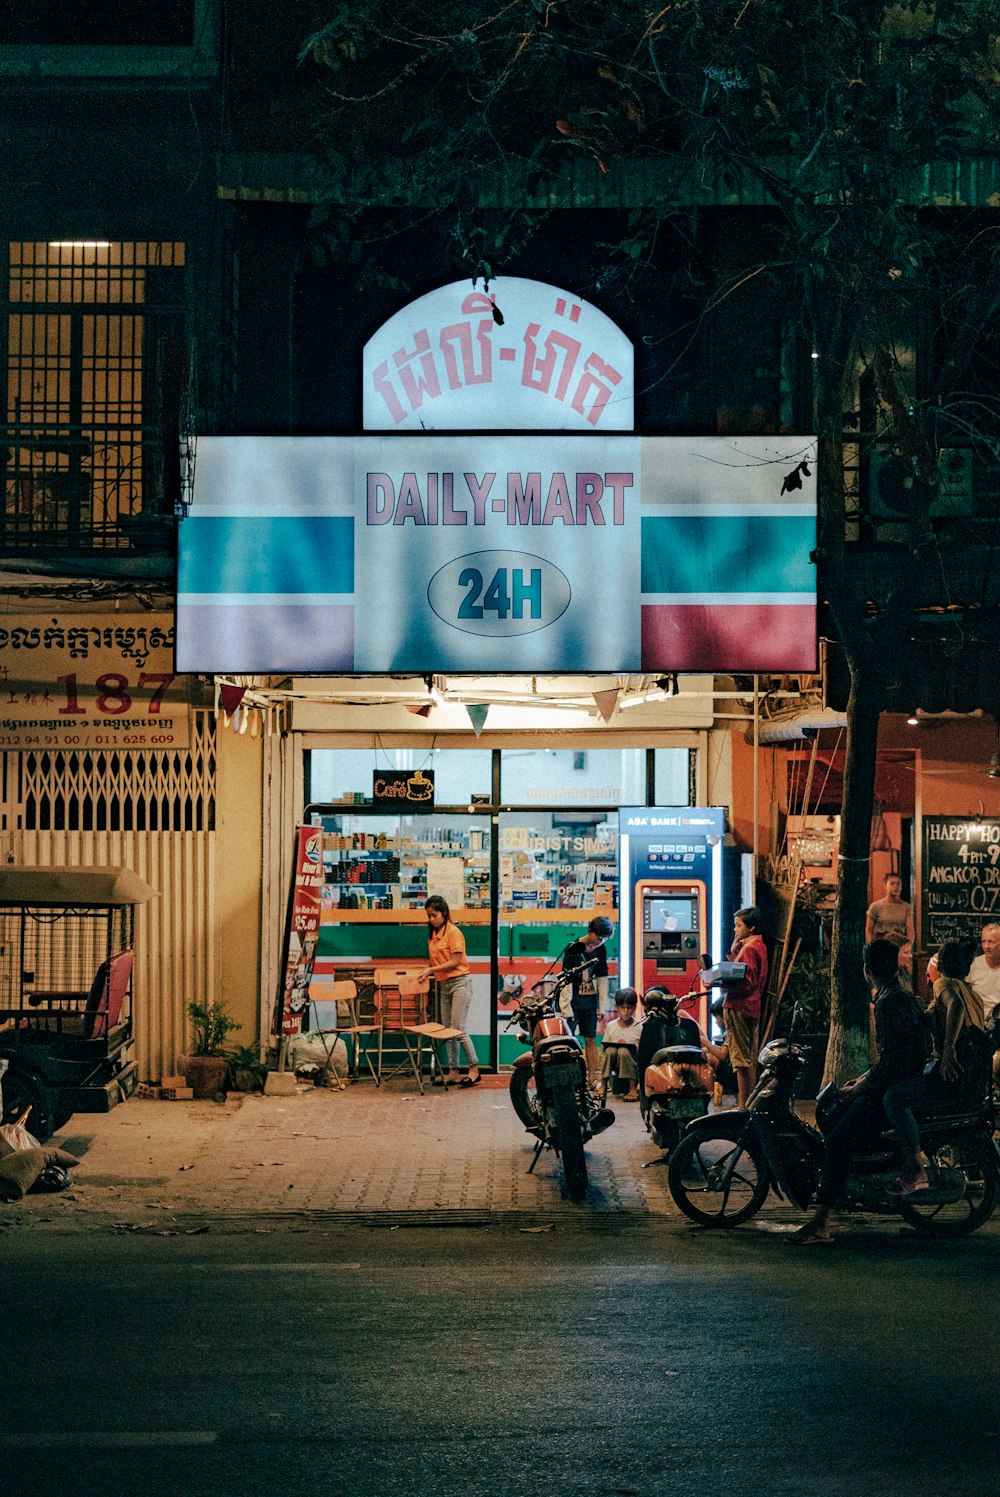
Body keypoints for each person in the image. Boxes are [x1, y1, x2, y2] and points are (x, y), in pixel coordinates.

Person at [789, 940, 932, 1244]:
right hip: (893, 1082)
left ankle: (821, 1222)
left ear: (867, 971)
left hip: (890, 1088)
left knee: (837, 1141)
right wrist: (864, 1079)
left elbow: (893, 1058)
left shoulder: (887, 1002)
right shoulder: (900, 996)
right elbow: (896, 1055)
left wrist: (864, 1085)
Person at [883, 938, 986, 1194]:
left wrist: (949, 1048)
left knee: (894, 1098)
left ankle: (915, 1167)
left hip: (952, 1078)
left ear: (940, 964)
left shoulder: (946, 984)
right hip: (970, 1082)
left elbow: (954, 1006)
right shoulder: (971, 993)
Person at [418, 895, 481, 1087]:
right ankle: (453, 1070)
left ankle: (474, 1068)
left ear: (444, 913)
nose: (431, 919)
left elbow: (455, 961)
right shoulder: (433, 934)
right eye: (428, 916)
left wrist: (430, 970)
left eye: (434, 915)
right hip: (443, 985)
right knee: (448, 1030)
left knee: (457, 1029)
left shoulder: (453, 932)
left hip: (459, 983)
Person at [722, 906, 768, 1109]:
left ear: (751, 927)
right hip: (752, 1006)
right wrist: (734, 952)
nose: (735, 930)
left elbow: (746, 980)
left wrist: (721, 984)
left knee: (740, 1058)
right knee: (749, 1056)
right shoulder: (759, 946)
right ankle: (749, 1102)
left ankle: (743, 1104)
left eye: (738, 926)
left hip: (739, 1006)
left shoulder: (749, 949)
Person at [562, 915, 614, 1092]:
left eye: (604, 938)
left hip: (590, 1002)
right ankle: (571, 1079)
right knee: (570, 1041)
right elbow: (566, 980)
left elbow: (602, 978)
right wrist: (565, 1007)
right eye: (599, 937)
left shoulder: (601, 950)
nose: (601, 941)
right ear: (590, 932)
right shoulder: (573, 948)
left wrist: (602, 1005)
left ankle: (592, 1077)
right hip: (573, 1001)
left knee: (591, 1039)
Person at [865, 872, 915, 982]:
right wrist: (870, 948)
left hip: (899, 948)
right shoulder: (876, 906)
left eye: (898, 884)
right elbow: (869, 929)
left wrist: (907, 948)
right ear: (885, 885)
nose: (896, 887)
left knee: (903, 979)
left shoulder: (906, 907)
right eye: (892, 883)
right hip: (882, 947)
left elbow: (910, 930)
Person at [596, 987, 642, 1102]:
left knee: (624, 1051)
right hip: (615, 1064)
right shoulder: (611, 1026)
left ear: (634, 1008)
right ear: (617, 1008)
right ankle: (603, 1084)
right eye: (623, 1007)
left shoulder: (639, 1027)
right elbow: (605, 1048)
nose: (626, 1011)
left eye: (629, 1008)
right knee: (610, 1050)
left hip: (632, 1064)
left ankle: (632, 1088)